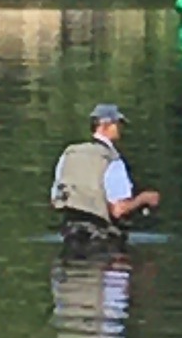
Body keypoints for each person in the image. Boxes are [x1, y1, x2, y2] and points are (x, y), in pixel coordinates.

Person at [48, 103, 159, 254]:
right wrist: (144, 199)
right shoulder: (111, 159)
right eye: (117, 124)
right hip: (102, 243)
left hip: (70, 237)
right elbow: (118, 210)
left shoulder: (69, 154)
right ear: (106, 125)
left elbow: (55, 199)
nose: (120, 129)